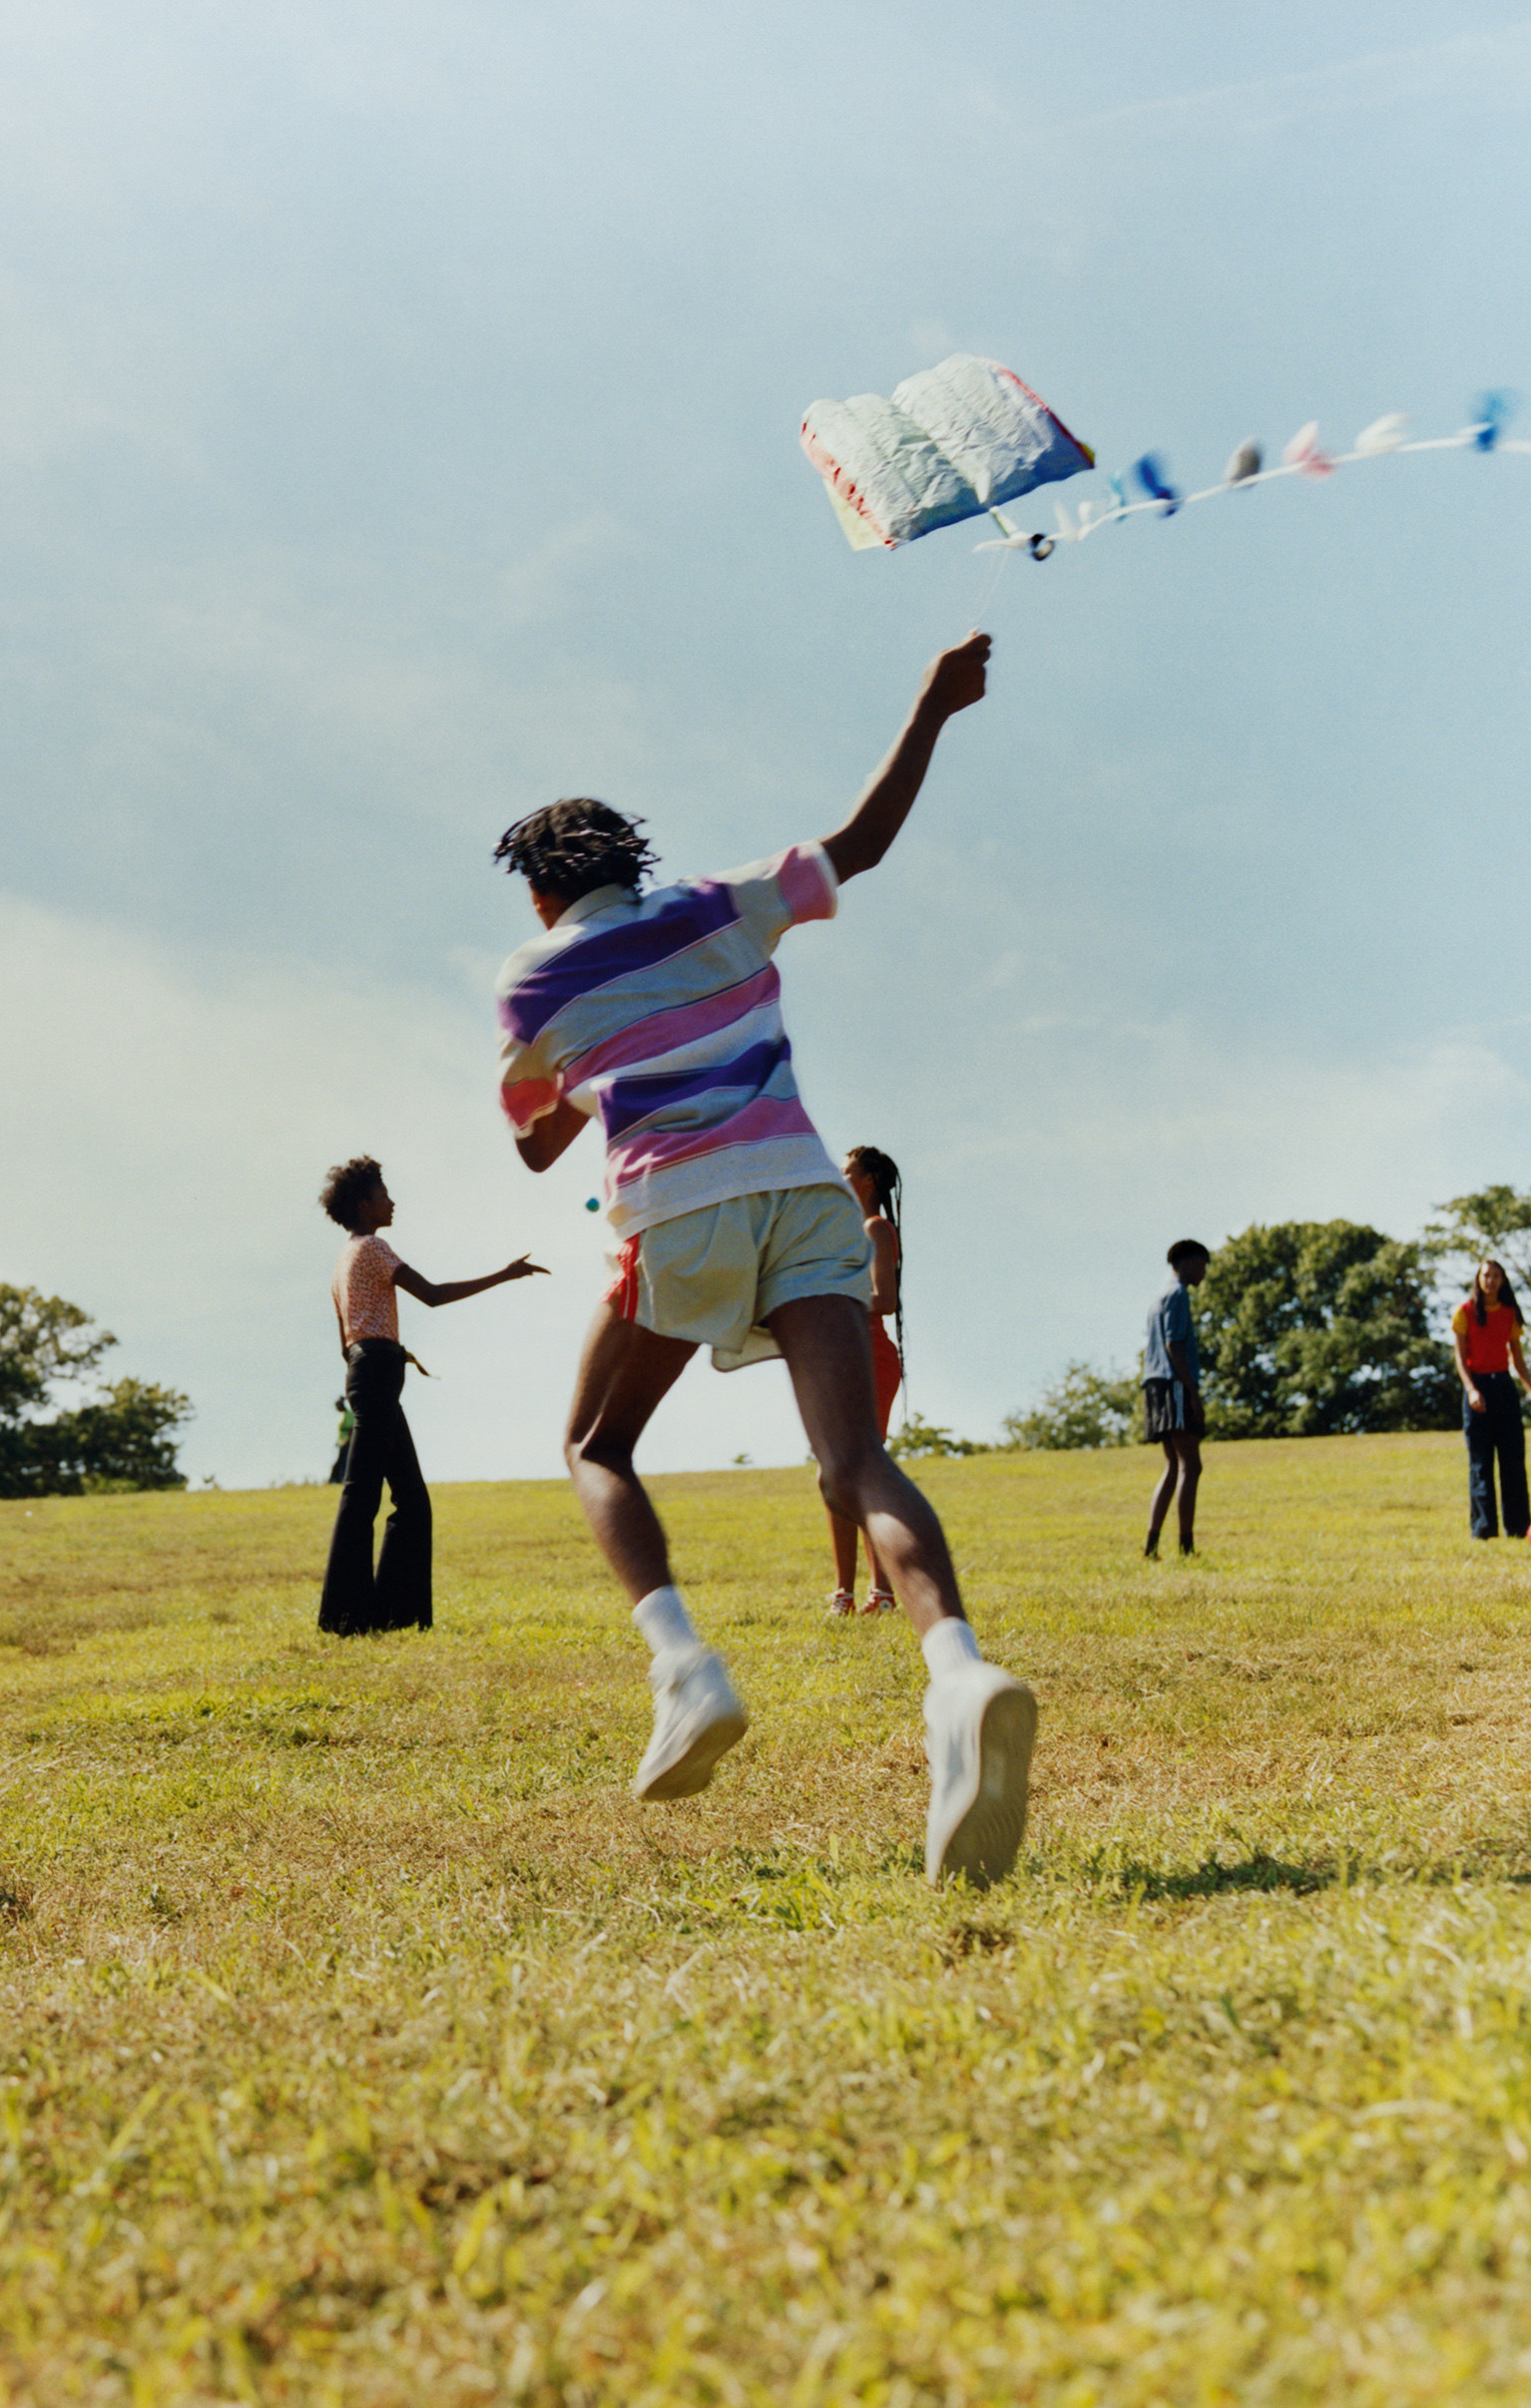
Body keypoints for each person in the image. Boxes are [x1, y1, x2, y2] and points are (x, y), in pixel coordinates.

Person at [492, 633, 1038, 1888]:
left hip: (678, 1207)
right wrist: (933, 701)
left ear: (535, 893)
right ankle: (958, 1671)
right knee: (854, 1460)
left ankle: (686, 1671)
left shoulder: (532, 981)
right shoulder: (717, 905)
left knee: (596, 1446)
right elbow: (864, 841)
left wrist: (595, 1063)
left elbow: (532, 1150)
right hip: (805, 1191)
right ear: (632, 860)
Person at [314, 1156, 549, 1635]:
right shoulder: (374, 1248)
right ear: (364, 1204)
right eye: (383, 1194)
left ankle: (391, 1617)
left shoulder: (343, 1259)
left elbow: (344, 1337)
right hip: (377, 1373)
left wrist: (375, 1365)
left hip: (369, 1372)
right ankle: (347, 1619)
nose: (392, 1200)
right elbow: (434, 1295)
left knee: (407, 1500)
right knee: (366, 1497)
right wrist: (504, 1275)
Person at [822, 1144, 906, 1617]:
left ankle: (882, 1594)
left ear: (868, 1179)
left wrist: (830, 1298)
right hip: (839, 1355)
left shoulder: (876, 1229)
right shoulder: (843, 1232)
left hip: (870, 1357)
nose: (839, 1174)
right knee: (832, 1474)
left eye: (847, 1169)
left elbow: (884, 1298)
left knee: (862, 1472)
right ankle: (845, 1595)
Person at [1453, 1257, 1531, 1540]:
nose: (1490, 1280)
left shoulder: (1509, 1313)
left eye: (1496, 1276)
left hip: (1503, 1387)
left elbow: (1517, 1357)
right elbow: (1459, 1357)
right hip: (1477, 1388)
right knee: (1481, 1463)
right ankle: (1483, 1530)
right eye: (1486, 1275)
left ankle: (1518, 1528)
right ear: (1478, 1279)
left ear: (1502, 1281)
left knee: (1513, 1461)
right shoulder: (1464, 1312)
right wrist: (1471, 1389)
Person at [1143, 1239, 1210, 1560]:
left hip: (1154, 1384)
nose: (1204, 1272)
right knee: (1191, 1466)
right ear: (1185, 1262)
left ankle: (1151, 1546)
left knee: (1173, 1466)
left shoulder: (1159, 1296)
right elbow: (1175, 1344)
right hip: (1174, 1385)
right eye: (1201, 1264)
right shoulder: (1178, 1294)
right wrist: (1192, 1391)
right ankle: (1186, 1547)